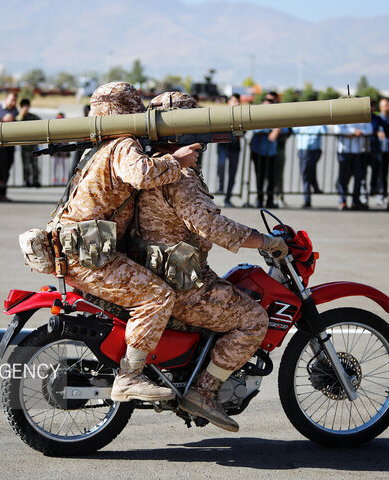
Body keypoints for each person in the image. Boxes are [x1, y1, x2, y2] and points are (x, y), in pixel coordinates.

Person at [131, 92, 283, 432]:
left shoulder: (157, 165)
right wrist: (266, 241)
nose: (202, 140)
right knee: (254, 319)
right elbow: (212, 226)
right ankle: (204, 392)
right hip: (182, 282)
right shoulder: (179, 176)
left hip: (172, 270)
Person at [53, 82, 200, 403]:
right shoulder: (123, 144)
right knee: (157, 297)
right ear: (130, 112)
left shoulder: (101, 145)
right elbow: (141, 175)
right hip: (89, 252)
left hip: (78, 246)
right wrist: (177, 161)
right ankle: (129, 377)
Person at [250, 93, 286, 208]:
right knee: (259, 177)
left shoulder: (277, 116)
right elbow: (255, 129)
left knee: (271, 177)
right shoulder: (255, 115)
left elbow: (284, 129)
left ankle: (270, 200)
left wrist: (277, 129)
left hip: (271, 152)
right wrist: (272, 129)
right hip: (258, 151)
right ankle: (259, 199)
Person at [334, 121, 373, 210]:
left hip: (358, 152)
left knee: (358, 177)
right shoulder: (343, 115)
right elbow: (337, 129)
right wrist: (352, 131)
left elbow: (369, 129)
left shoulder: (361, 116)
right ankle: (342, 200)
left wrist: (359, 132)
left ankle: (355, 201)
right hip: (345, 151)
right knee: (344, 177)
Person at [291, 124, 327, 208]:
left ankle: (311, 194)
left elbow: (324, 131)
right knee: (306, 174)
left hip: (314, 150)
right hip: (304, 150)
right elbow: (294, 129)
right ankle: (309, 196)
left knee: (308, 172)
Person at [216, 94, 241, 207]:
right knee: (221, 164)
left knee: (232, 173)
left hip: (235, 147)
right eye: (234, 101)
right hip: (223, 145)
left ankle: (228, 197)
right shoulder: (222, 114)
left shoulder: (241, 115)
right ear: (229, 102)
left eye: (238, 101)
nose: (236, 103)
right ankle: (220, 185)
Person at [362, 98, 386, 207]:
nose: (372, 108)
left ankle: (376, 192)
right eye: (370, 105)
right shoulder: (361, 117)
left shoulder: (377, 118)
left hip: (375, 149)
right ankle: (363, 196)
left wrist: (381, 132)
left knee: (377, 173)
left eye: (373, 106)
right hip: (363, 149)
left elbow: (384, 127)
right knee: (362, 174)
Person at [16, 98, 41, 188]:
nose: (25, 108)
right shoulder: (19, 117)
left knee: (35, 164)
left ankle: (36, 180)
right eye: (24, 106)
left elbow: (41, 124)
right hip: (25, 146)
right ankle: (26, 180)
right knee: (26, 165)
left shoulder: (33, 117)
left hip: (33, 145)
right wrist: (21, 115)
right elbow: (15, 125)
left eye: (27, 106)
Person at [377, 97, 389, 206]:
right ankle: (381, 195)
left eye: (388, 105)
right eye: (385, 105)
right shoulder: (379, 119)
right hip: (381, 151)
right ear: (380, 108)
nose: (388, 107)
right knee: (381, 174)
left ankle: (388, 195)